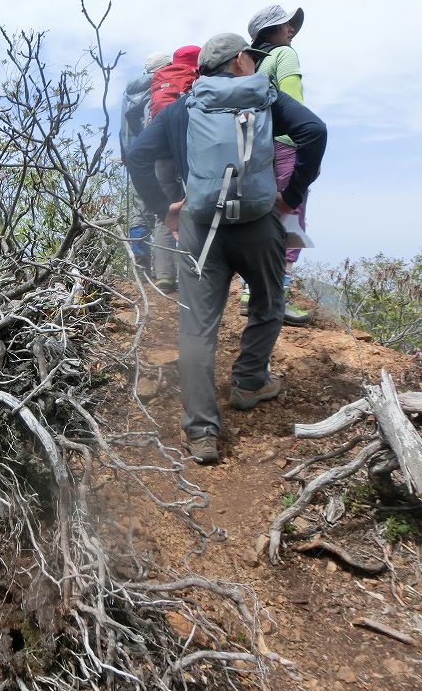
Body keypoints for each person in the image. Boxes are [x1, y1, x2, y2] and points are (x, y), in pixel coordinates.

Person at [127, 33, 327, 464]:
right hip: (258, 224)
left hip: (202, 229)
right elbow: (314, 131)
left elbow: (138, 156)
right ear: (239, 61)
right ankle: (249, 381)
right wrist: (290, 195)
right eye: (251, 59)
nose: (253, 64)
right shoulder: (266, 99)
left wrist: (165, 209)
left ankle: (201, 431)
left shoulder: (184, 107)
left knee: (197, 327)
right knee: (269, 303)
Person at [243, 4, 312, 325]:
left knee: (261, 214)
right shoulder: (285, 56)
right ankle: (276, 297)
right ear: (272, 30)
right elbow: (293, 100)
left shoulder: (253, 64)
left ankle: (249, 291)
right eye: (286, 25)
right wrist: (304, 142)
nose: (292, 30)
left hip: (255, 148)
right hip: (285, 146)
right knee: (290, 216)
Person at [148, 44, 201, 293]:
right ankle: (195, 271)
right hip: (188, 150)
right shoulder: (196, 78)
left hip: (160, 152)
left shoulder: (161, 81)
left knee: (166, 212)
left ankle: (165, 276)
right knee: (197, 207)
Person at [120, 52, 171, 275]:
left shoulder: (129, 93)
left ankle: (140, 267)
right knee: (163, 206)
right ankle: (165, 272)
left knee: (139, 210)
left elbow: (124, 130)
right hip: (159, 154)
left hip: (135, 156)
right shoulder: (162, 86)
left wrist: (127, 156)